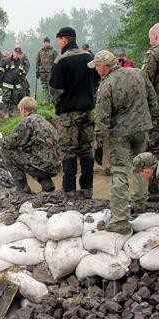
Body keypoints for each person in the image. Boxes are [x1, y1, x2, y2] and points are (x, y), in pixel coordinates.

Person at [90, 50, 158, 233]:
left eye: (96, 67)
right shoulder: (139, 73)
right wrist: (151, 122)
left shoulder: (107, 85)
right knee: (141, 165)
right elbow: (153, 100)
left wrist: (98, 142)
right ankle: (139, 204)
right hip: (142, 128)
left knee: (119, 171)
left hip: (120, 133)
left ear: (103, 67)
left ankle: (120, 219)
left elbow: (103, 116)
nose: (96, 70)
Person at [49, 26, 100, 198]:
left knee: (68, 151)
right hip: (87, 112)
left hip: (68, 114)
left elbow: (54, 89)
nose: (58, 43)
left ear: (63, 39)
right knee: (86, 150)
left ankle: (69, 190)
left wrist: (59, 104)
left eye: (58, 40)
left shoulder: (61, 61)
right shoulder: (89, 57)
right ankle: (87, 189)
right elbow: (97, 81)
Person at [0, 96, 61, 193]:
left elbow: (11, 142)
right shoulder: (44, 121)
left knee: (6, 151)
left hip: (42, 166)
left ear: (24, 110)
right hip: (55, 167)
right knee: (31, 155)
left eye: (20, 110)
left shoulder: (27, 122)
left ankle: (22, 188)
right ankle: (47, 184)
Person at [142, 23, 159, 156]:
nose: (150, 41)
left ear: (156, 36)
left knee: (154, 147)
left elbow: (145, 81)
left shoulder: (153, 54)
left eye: (150, 38)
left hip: (156, 108)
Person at [2, 48, 27, 118]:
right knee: (6, 98)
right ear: (13, 53)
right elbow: (0, 70)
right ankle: (5, 112)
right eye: (16, 53)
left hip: (16, 83)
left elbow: (23, 72)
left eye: (18, 53)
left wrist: (21, 79)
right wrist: (2, 80)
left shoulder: (21, 62)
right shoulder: (8, 60)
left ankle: (11, 111)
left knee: (13, 98)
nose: (17, 54)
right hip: (7, 83)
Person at [36, 37, 58, 104]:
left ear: (49, 43)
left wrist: (56, 71)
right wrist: (37, 71)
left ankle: (52, 101)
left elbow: (56, 62)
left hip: (50, 72)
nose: (46, 44)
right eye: (45, 42)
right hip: (42, 71)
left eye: (47, 42)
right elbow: (37, 61)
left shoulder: (53, 51)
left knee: (50, 87)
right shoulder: (40, 51)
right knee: (44, 87)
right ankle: (46, 100)